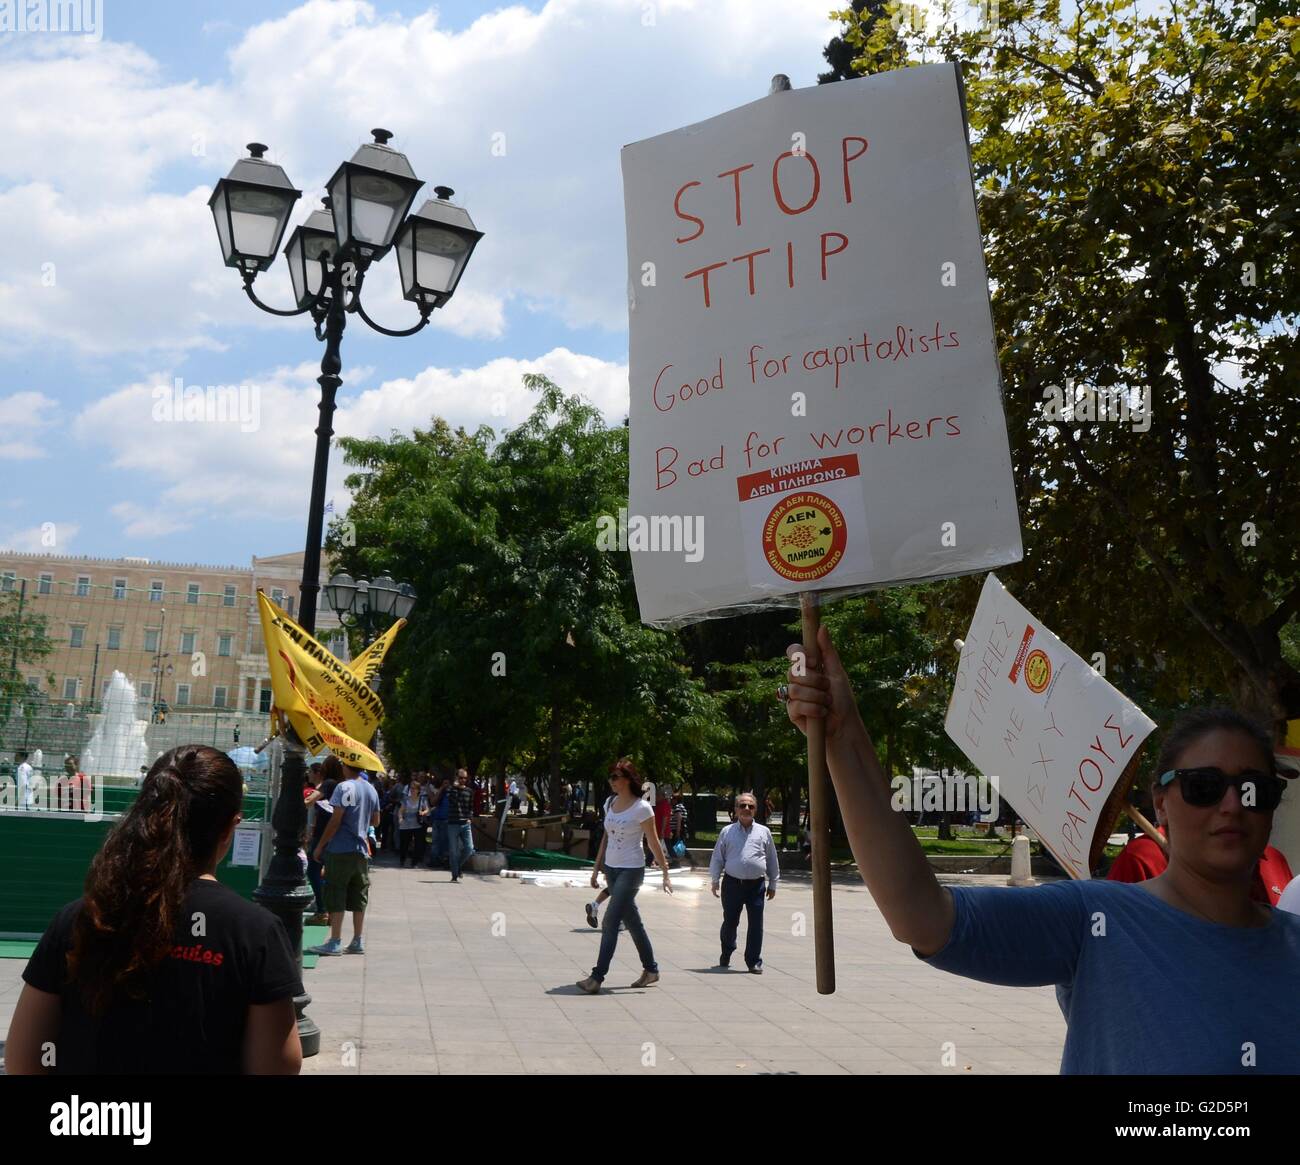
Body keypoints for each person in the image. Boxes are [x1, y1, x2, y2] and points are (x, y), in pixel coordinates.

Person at [784, 629, 1300, 1074]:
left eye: (1253, 788)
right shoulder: (1097, 919)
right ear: (1161, 803)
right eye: (1205, 786)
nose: (1232, 804)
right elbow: (921, 914)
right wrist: (842, 736)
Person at [5, 745, 302, 1074]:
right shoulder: (255, 933)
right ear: (231, 827)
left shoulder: (79, 920)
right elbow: (276, 1065)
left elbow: (23, 1059)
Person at [577, 758, 673, 994]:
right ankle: (651, 970)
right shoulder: (609, 803)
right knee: (633, 923)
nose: (611, 781)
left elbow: (652, 841)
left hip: (631, 870)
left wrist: (665, 872)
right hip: (612, 868)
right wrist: (596, 867)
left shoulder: (642, 807)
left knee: (610, 921)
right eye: (610, 777)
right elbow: (606, 837)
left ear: (628, 780)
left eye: (615, 777)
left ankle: (596, 977)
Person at [1107, 824, 1294, 905]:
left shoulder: (1275, 859)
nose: (1234, 802)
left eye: (1264, 788)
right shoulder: (1142, 858)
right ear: (1161, 802)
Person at [309, 756, 381, 956]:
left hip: (341, 848)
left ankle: (335, 940)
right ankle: (357, 939)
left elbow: (336, 820)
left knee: (336, 890)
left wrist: (320, 845)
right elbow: (375, 821)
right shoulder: (371, 788)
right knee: (359, 894)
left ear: (346, 766)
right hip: (362, 849)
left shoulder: (343, 787)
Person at [709, 792, 779, 972]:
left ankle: (753, 960)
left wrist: (772, 883)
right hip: (732, 884)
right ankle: (727, 950)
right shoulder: (727, 832)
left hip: (756, 886)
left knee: (756, 924)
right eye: (742, 805)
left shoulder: (764, 832)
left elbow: (771, 859)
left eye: (750, 806)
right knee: (730, 922)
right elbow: (718, 857)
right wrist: (715, 880)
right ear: (735, 809)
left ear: (755, 810)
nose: (746, 809)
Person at [303, 757, 341, 926]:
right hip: (329, 834)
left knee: (313, 870)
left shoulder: (329, 784)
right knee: (324, 872)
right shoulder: (337, 784)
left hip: (323, 835)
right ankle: (328, 909)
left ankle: (322, 909)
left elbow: (310, 801)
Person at [433, 768, 475, 882]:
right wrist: (454, 787)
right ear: (456, 778)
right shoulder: (451, 790)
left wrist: (470, 818)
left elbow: (471, 807)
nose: (463, 780)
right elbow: (452, 800)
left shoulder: (469, 791)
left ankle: (458, 866)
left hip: (465, 823)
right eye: (460, 778)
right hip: (453, 823)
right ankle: (454, 875)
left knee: (469, 848)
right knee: (453, 851)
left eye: (465, 778)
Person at [398, 774, 429, 869]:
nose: (412, 790)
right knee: (404, 844)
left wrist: (423, 812)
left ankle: (414, 862)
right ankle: (402, 859)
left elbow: (427, 809)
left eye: (414, 788)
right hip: (406, 824)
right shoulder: (406, 799)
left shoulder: (422, 799)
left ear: (418, 790)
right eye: (411, 788)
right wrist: (400, 818)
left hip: (417, 824)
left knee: (418, 844)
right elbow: (400, 810)